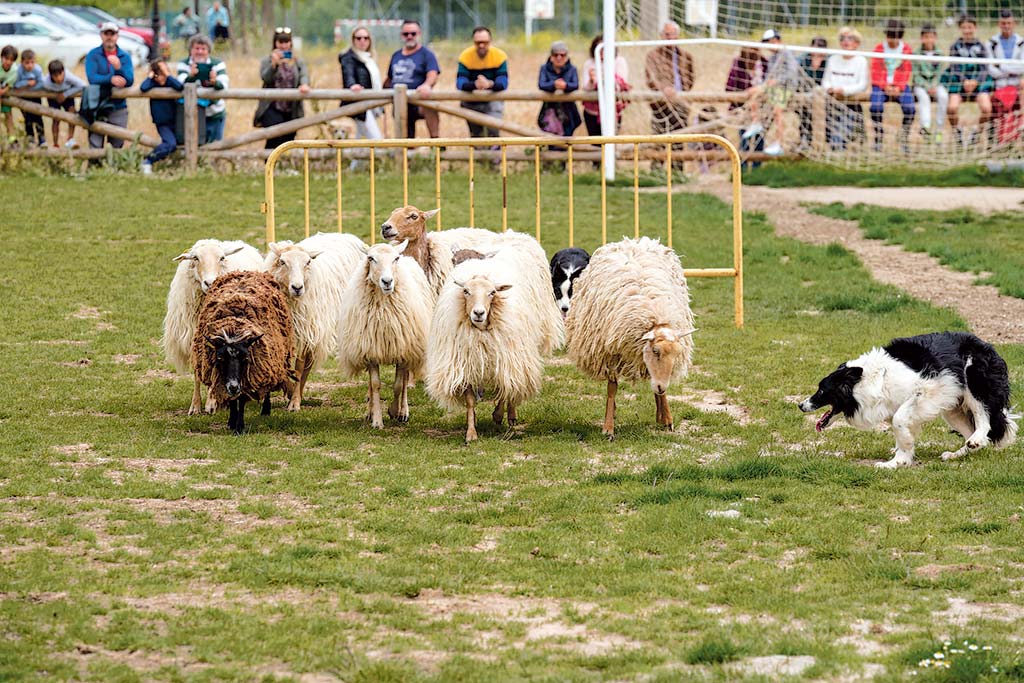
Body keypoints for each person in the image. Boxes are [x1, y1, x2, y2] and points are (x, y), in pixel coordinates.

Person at [254, 28, 310, 150]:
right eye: (281, 42)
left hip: (292, 107)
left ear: (290, 43)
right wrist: (274, 65)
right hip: (272, 106)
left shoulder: (297, 61)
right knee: (274, 136)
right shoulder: (267, 60)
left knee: (289, 139)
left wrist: (304, 84)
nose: (284, 45)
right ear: (275, 43)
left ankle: (284, 165)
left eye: (286, 42)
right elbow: (265, 78)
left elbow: (304, 75)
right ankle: (269, 163)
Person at [384, 20, 440, 139]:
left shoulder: (426, 54)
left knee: (431, 107)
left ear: (419, 34)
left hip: (419, 100)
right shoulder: (396, 55)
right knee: (406, 139)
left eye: (413, 33)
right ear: (401, 35)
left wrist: (427, 85)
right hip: (400, 102)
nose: (409, 36)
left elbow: (433, 73)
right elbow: (389, 78)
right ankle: (405, 154)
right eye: (406, 34)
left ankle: (436, 144)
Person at [944, 14, 993, 147]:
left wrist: (976, 81)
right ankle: (957, 132)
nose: (967, 30)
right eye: (964, 27)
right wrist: (964, 81)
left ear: (975, 28)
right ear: (960, 29)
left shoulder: (981, 46)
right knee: (952, 107)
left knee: (987, 108)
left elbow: (985, 67)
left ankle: (976, 133)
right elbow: (953, 66)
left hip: (978, 83)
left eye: (970, 27)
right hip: (959, 83)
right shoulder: (955, 46)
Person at [85, 23, 134, 150]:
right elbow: (92, 78)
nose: (109, 37)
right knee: (95, 145)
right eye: (106, 33)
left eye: (112, 34)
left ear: (117, 36)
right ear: (101, 35)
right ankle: (95, 169)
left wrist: (119, 69)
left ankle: (114, 170)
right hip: (97, 106)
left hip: (118, 106)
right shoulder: (93, 55)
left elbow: (129, 80)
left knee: (117, 145)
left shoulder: (124, 56)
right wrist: (110, 79)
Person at [869, 19, 915, 154]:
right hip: (881, 85)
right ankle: (878, 136)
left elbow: (906, 70)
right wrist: (885, 86)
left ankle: (904, 136)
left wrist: (899, 87)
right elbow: (875, 70)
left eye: (894, 37)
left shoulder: (906, 49)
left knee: (910, 108)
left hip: (899, 86)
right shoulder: (879, 48)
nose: (891, 40)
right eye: (889, 36)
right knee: (875, 107)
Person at [821, 28, 868, 151]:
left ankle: (841, 144)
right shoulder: (832, 59)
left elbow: (862, 84)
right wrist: (830, 88)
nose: (845, 41)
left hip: (851, 102)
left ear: (857, 43)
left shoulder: (861, 60)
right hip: (832, 101)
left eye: (850, 38)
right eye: (842, 38)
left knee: (841, 135)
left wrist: (844, 90)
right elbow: (825, 81)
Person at [456, 26, 509, 137]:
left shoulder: (499, 56)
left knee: (493, 131)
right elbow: (460, 83)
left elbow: (503, 83)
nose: (481, 45)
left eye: (485, 42)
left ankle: (494, 153)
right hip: (471, 101)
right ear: (473, 42)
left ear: (490, 41)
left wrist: (489, 84)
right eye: (478, 42)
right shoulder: (465, 56)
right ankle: (478, 153)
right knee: (476, 135)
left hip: (493, 99)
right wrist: (475, 85)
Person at [644, 21, 694, 134]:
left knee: (679, 140)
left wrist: (682, 93)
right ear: (661, 36)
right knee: (659, 141)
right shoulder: (653, 55)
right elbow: (650, 78)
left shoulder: (686, 56)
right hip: (661, 105)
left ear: (678, 36)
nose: (670, 38)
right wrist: (664, 89)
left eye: (673, 34)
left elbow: (691, 78)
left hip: (681, 104)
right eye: (667, 34)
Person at [177, 34, 228, 143]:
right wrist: (191, 76)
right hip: (192, 113)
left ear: (208, 51)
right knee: (194, 145)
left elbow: (224, 85)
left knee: (216, 146)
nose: (200, 52)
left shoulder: (218, 64)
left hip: (215, 112)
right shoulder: (183, 64)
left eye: (203, 49)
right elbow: (180, 84)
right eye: (197, 48)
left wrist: (215, 82)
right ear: (190, 50)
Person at [758, 28, 801, 155]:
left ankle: (779, 142)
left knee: (777, 112)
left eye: (770, 41)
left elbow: (792, 73)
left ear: (777, 40)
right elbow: (769, 75)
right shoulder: (772, 58)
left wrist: (776, 81)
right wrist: (766, 84)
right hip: (774, 89)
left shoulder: (787, 54)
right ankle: (756, 123)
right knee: (754, 94)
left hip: (786, 88)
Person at [339, 26, 384, 141]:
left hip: (371, 103)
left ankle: (356, 159)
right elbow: (347, 73)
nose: (362, 41)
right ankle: (373, 158)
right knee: (376, 139)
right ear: (353, 40)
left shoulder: (369, 58)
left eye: (366, 38)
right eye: (358, 38)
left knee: (360, 138)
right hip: (359, 104)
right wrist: (352, 85)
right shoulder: (348, 57)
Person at [140, 59, 184, 174]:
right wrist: (150, 76)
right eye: (159, 72)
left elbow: (180, 86)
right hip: (162, 122)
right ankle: (148, 160)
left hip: (175, 121)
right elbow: (143, 88)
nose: (162, 76)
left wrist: (167, 75)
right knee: (170, 143)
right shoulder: (152, 85)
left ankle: (174, 166)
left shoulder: (170, 83)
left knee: (177, 144)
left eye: (164, 71)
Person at [581, 33, 629, 136]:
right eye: (600, 48)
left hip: (613, 110)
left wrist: (602, 80)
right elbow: (585, 87)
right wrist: (592, 81)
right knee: (595, 141)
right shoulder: (589, 63)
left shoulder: (619, 61)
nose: (603, 52)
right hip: (592, 110)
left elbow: (621, 83)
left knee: (611, 141)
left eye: (606, 48)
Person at [986, 9, 1024, 139]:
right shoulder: (991, 43)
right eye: (1003, 23)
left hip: (1016, 85)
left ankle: (1014, 138)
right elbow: (991, 70)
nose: (1006, 26)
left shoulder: (1021, 42)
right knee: (999, 110)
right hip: (998, 86)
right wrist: (1011, 69)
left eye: (1009, 23)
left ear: (1014, 23)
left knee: (1017, 109)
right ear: (999, 24)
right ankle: (999, 139)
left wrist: (1002, 66)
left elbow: (1022, 68)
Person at [725, 46, 767, 162]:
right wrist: (743, 97)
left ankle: (757, 169)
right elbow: (730, 87)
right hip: (743, 109)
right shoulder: (737, 67)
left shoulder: (763, 63)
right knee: (745, 139)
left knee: (759, 139)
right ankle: (742, 169)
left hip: (762, 110)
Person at [537, 41, 580, 137]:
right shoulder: (544, 68)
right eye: (556, 55)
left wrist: (565, 86)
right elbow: (541, 84)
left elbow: (575, 84)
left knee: (567, 136)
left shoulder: (572, 69)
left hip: (568, 110)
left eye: (562, 55)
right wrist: (554, 84)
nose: (559, 58)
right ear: (551, 56)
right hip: (550, 109)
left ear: (566, 56)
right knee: (549, 135)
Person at [913, 24, 948, 143]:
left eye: (931, 37)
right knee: (923, 98)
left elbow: (939, 73)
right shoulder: (916, 54)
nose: (929, 40)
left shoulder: (940, 54)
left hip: (935, 84)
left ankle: (939, 129)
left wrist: (933, 86)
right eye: (926, 37)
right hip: (921, 85)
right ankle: (926, 127)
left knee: (943, 96)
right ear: (921, 38)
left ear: (935, 38)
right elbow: (916, 74)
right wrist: (927, 87)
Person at [42, 60, 85, 149]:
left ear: (63, 72)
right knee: (56, 118)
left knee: (71, 114)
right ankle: (55, 143)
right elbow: (40, 87)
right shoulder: (46, 82)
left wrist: (65, 94)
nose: (59, 78)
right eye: (55, 76)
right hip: (53, 97)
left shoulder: (68, 77)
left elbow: (82, 85)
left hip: (68, 95)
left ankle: (70, 139)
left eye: (60, 74)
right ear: (51, 76)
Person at [797, 36, 828, 150]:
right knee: (805, 111)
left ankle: (826, 143)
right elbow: (799, 79)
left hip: (823, 94)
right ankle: (805, 140)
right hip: (805, 93)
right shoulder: (803, 60)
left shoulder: (828, 61)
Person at [13, 49, 44, 146]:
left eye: (32, 62)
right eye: (27, 63)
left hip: (35, 97)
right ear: (22, 63)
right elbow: (16, 84)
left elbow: (41, 83)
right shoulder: (19, 71)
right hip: (24, 97)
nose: (30, 65)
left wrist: (30, 89)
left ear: (35, 62)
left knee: (38, 116)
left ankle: (41, 138)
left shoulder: (37, 70)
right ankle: (30, 138)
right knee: (28, 118)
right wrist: (27, 83)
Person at [0, 45, 17, 144]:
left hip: (5, 90)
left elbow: (10, 84)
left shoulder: (14, 70)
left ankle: (11, 136)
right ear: (1, 57)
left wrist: (3, 91)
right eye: (6, 59)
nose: (8, 62)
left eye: (11, 60)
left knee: (8, 114)